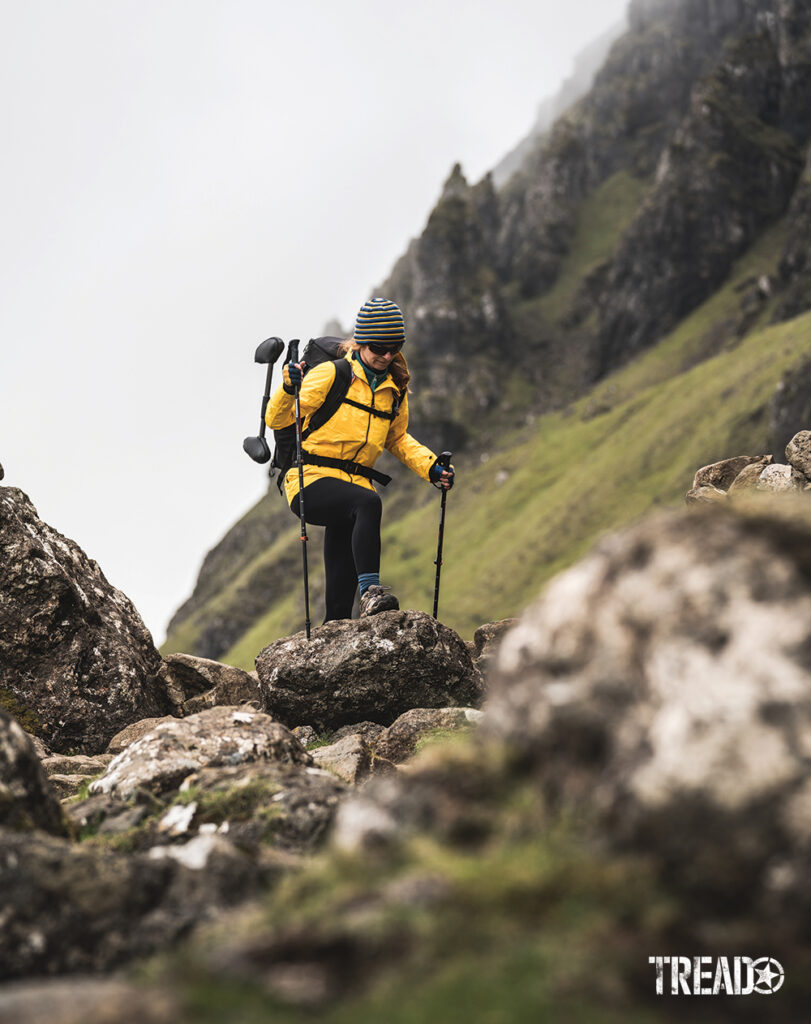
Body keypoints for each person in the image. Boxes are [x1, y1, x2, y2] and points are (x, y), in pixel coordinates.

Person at [265, 297, 454, 621]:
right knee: (368, 503)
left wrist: (432, 467)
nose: (387, 355)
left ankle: (331, 637)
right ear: (361, 343)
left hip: (351, 489)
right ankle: (371, 593)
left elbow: (397, 438)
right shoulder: (331, 375)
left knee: (339, 610)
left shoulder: (394, 389)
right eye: (379, 348)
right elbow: (278, 419)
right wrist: (287, 387)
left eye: (395, 347)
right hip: (309, 480)